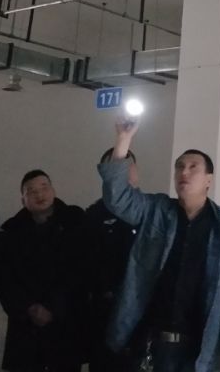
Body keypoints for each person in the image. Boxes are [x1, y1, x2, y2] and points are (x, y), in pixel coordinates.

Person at [98, 119, 220, 372]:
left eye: (193, 167)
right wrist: (123, 140)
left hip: (201, 349)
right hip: (153, 341)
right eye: (179, 167)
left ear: (209, 180)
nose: (184, 173)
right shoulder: (157, 210)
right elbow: (118, 199)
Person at [0, 169, 86, 372]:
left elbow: (81, 268)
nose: (39, 194)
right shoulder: (10, 231)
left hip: (66, 321)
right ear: (23, 200)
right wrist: (29, 307)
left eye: (44, 187)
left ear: (53, 191)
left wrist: (54, 307)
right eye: (31, 191)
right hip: (26, 324)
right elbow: (4, 278)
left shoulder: (75, 220)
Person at [83, 148, 139, 372]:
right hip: (104, 314)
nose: (121, 172)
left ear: (136, 171)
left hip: (141, 313)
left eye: (127, 166)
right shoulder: (92, 216)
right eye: (115, 167)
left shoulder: (151, 211)